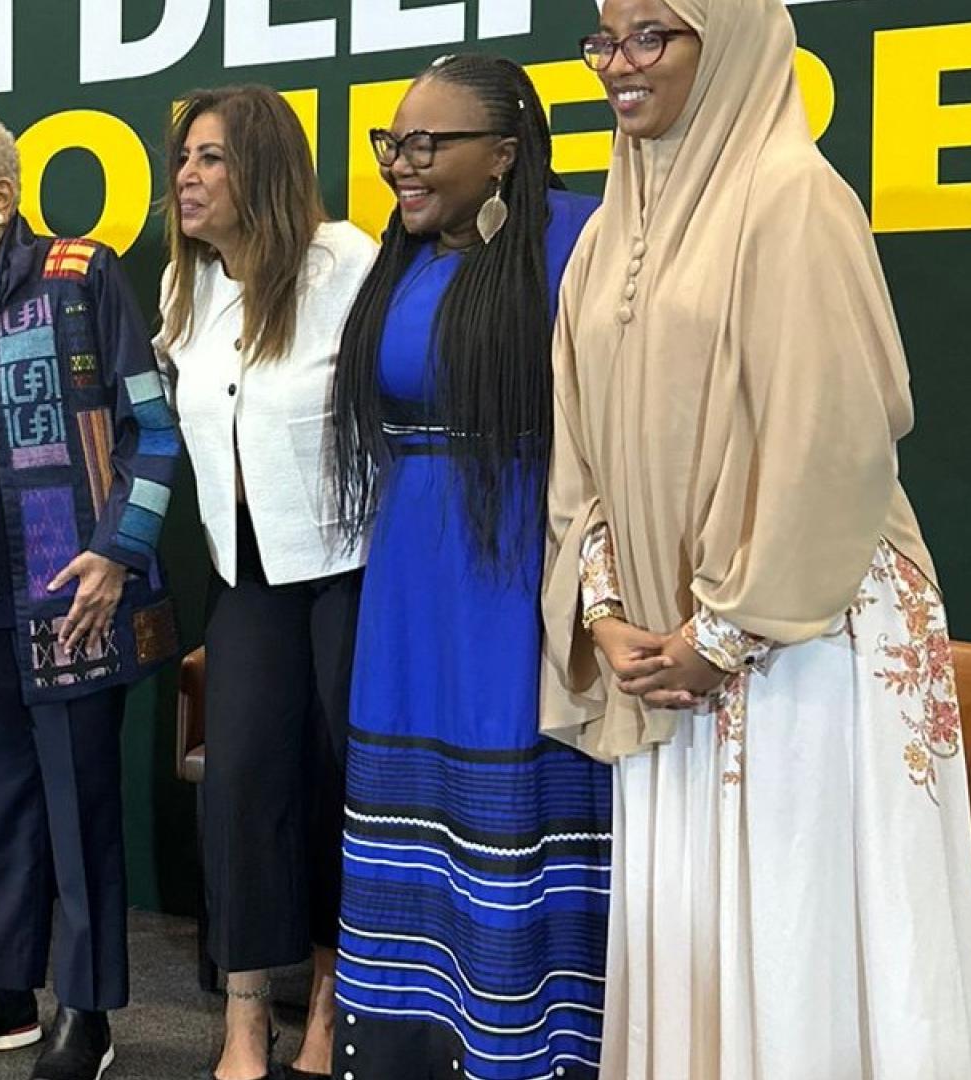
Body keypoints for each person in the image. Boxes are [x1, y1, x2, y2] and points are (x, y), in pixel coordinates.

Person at [542, 0, 971, 1075]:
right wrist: (606, 617)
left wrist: (726, 633)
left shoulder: (795, 198)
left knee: (800, 931)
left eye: (652, 34)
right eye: (605, 38)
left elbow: (833, 442)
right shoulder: (610, 231)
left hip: (805, 648)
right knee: (701, 939)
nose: (618, 64)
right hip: (664, 656)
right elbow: (582, 453)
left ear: (733, 39)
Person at [326, 55, 612, 1077]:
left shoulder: (576, 238)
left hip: (521, 575)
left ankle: (534, 1053)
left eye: (427, 144)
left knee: (517, 811)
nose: (403, 164)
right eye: (393, 143)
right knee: (418, 814)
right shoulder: (403, 260)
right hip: (411, 579)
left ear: (506, 152)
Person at [0, 106, 181, 1080]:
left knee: (80, 805)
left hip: (72, 594)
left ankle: (86, 1011)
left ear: (0, 196)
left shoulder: (79, 274)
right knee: (4, 799)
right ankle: (7, 992)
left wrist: (116, 550)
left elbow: (153, 426)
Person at [155, 85, 374, 1080]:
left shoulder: (348, 261)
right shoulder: (187, 286)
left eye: (211, 158)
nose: (188, 177)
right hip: (242, 574)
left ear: (266, 169)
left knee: (339, 786)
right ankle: (246, 1022)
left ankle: (331, 1010)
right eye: (184, 159)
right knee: (239, 790)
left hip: (345, 570)